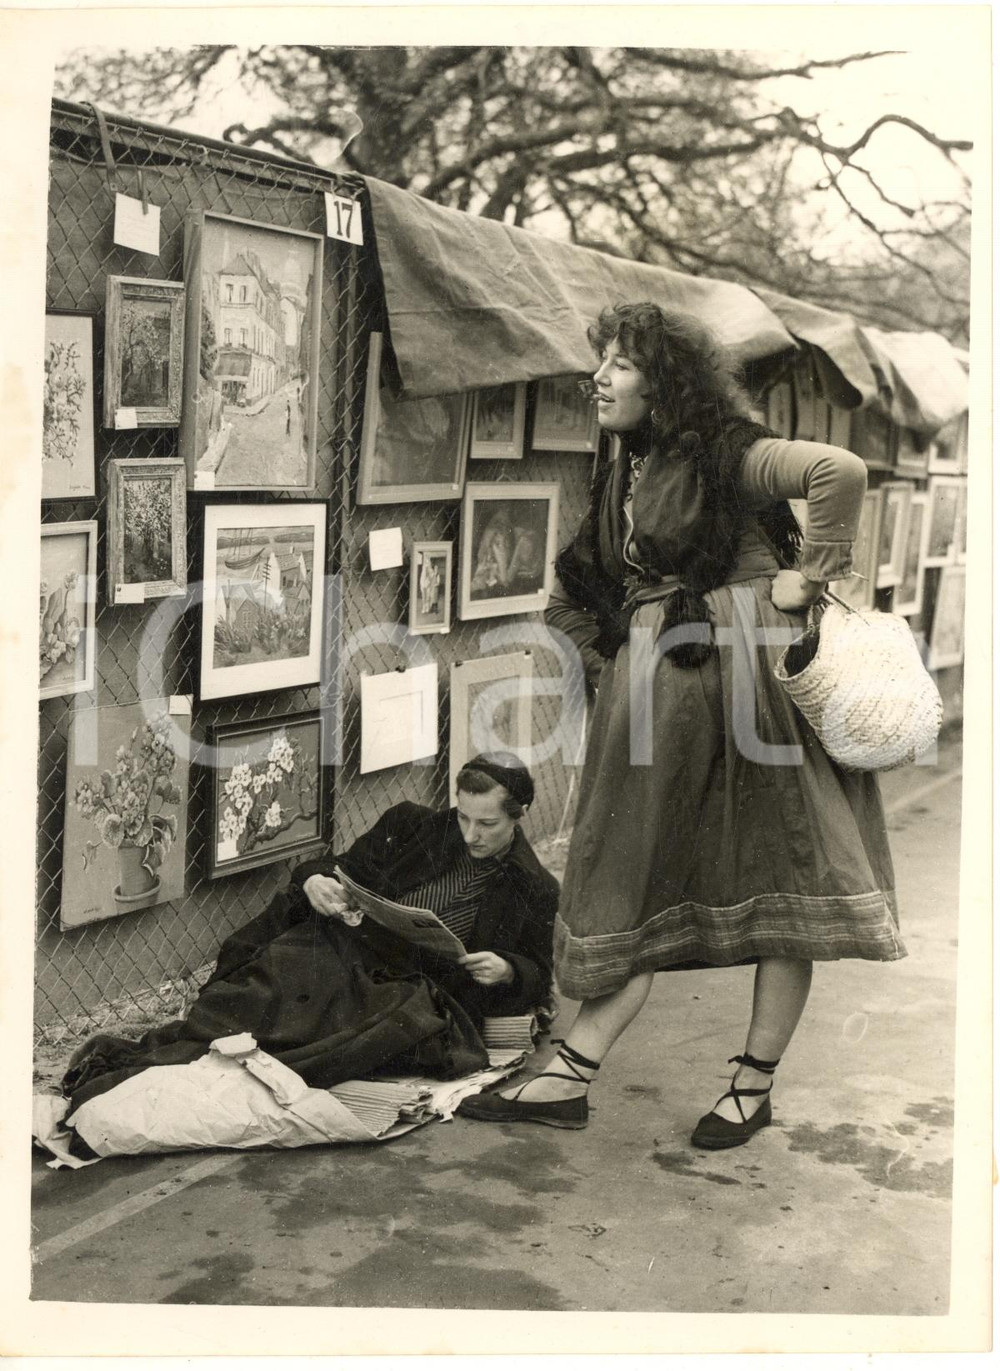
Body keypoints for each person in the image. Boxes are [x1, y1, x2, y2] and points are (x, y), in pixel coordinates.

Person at [458, 302, 903, 1147]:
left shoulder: (729, 451)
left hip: (753, 688)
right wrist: (622, 669)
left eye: (621, 364)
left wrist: (804, 584)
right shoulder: (626, 465)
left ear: (665, 383)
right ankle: (572, 1071)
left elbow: (839, 471)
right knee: (639, 864)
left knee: (787, 870)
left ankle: (751, 1083)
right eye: (602, 361)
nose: (599, 376)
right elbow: (584, 595)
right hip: (669, 698)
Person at [62, 753, 557, 1122]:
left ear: (519, 816)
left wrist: (508, 969)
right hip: (354, 943)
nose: (470, 834)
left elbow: (537, 972)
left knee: (348, 1033)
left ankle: (195, 1071)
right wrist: (315, 880)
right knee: (273, 983)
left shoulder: (533, 885)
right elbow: (342, 867)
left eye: (487, 824)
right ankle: (151, 1057)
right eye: (464, 817)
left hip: (418, 984)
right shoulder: (415, 825)